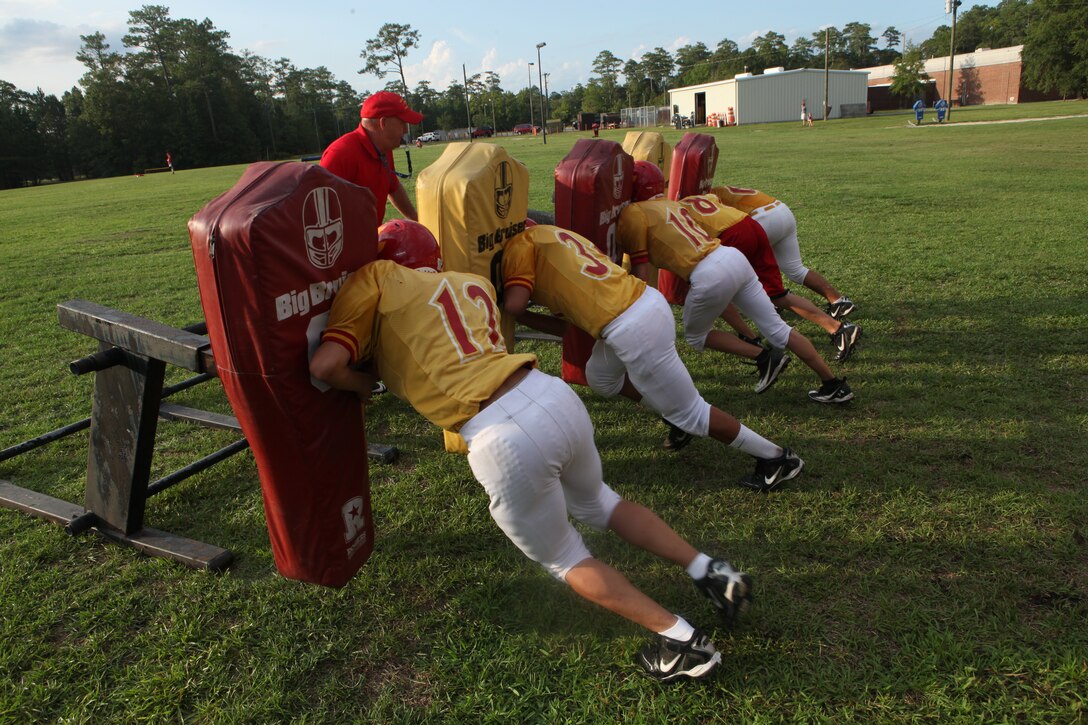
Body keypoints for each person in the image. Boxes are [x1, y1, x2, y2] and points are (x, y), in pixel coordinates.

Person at [310, 221, 755, 682]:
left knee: (564, 557)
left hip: (499, 431)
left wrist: (362, 384)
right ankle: (710, 570)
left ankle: (682, 640)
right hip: (549, 394)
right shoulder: (469, 281)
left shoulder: (376, 279)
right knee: (602, 501)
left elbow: (326, 365)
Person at [501, 220, 804, 489]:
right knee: (601, 376)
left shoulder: (519, 247)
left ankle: (776, 458)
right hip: (642, 301)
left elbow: (514, 306)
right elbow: (568, 328)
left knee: (692, 413)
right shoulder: (552, 233)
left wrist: (502, 303)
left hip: (630, 326)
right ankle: (672, 417)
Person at [619, 162, 853, 404]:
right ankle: (833, 384)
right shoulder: (671, 204)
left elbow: (641, 268)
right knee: (778, 330)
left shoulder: (635, 213)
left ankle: (763, 356)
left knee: (696, 337)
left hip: (707, 271)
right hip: (733, 258)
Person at [662, 188, 861, 363]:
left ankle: (750, 339)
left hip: (747, 227)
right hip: (771, 215)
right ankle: (838, 316)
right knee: (784, 284)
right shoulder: (706, 195)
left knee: (724, 285)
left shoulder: (672, 210)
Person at [710, 184, 856, 320]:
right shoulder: (718, 189)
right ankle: (839, 301)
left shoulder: (708, 196)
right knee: (796, 270)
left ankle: (770, 303)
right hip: (781, 210)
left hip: (761, 218)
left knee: (740, 266)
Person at [320, 91, 420, 223]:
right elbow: (321, 211)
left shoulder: (384, 148)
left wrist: (417, 219)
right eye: (403, 124)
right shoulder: (340, 154)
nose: (406, 131)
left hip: (370, 238)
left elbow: (393, 187)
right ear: (383, 123)